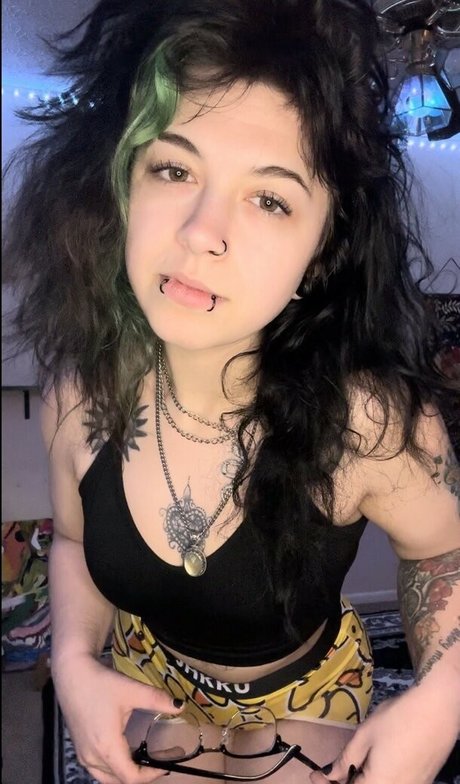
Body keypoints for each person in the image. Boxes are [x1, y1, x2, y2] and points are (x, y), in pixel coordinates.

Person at [3, 0, 460, 782]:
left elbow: (442, 548)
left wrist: (447, 692)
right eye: (173, 168)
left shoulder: (370, 423)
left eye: (269, 199)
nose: (200, 231)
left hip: (308, 694)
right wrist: (74, 657)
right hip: (149, 674)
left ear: (321, 254)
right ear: (120, 188)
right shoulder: (78, 398)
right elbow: (76, 541)